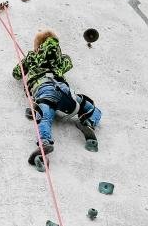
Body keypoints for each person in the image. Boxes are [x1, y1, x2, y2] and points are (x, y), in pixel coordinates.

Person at [12, 29, 101, 165]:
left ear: (38, 46)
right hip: (65, 92)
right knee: (91, 108)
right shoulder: (60, 60)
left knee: (45, 116)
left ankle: (45, 142)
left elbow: (16, 74)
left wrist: (28, 60)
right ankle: (88, 122)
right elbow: (69, 62)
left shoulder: (32, 58)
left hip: (44, 90)